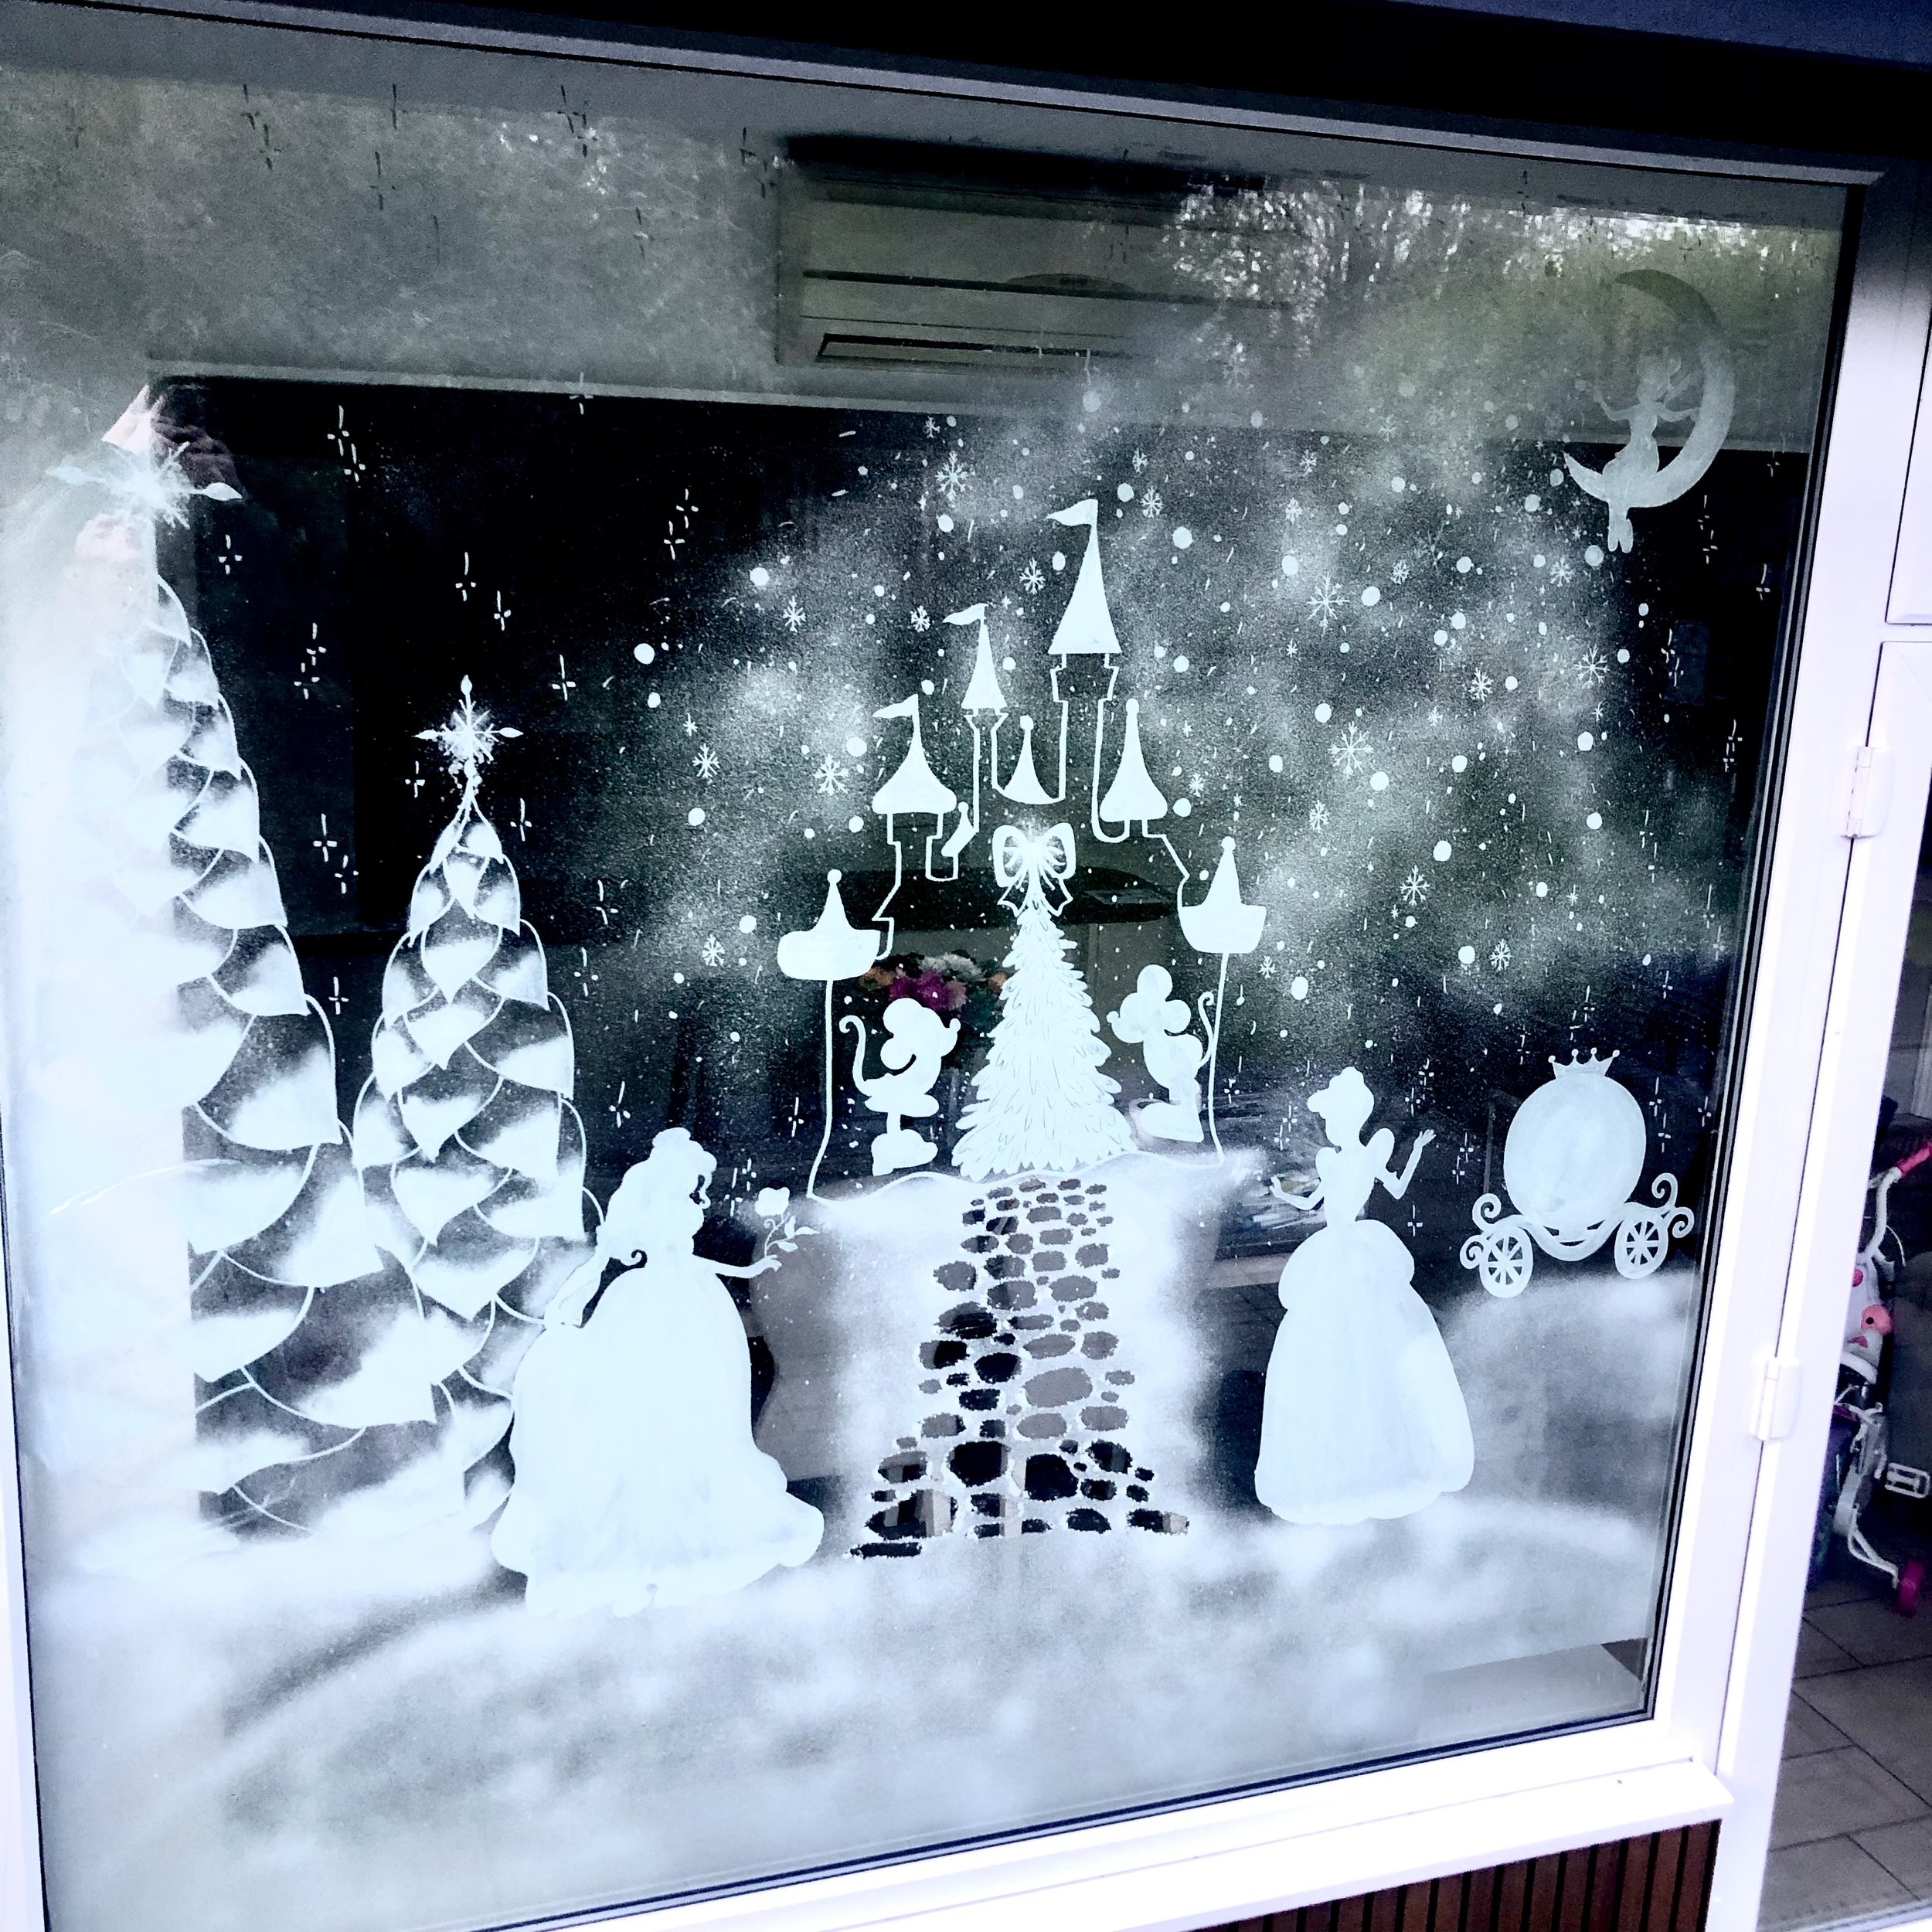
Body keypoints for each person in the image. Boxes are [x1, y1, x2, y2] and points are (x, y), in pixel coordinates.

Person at [492, 1128, 823, 1613]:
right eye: (694, 1180)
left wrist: (754, 1271)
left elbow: (695, 1258)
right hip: (653, 1306)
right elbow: (608, 1252)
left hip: (696, 1303)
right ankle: (644, 1514)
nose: (698, 1192)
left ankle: (689, 1487)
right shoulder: (644, 1198)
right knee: (648, 1398)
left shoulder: (681, 1216)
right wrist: (569, 1304)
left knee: (701, 1404)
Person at [1254, 1068, 1475, 1525]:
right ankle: (1344, 1448)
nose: (1331, 1130)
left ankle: (1376, 1449)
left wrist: (1414, 1153)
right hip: (1337, 1248)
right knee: (1329, 1338)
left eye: (1334, 1120)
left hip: (1353, 1251)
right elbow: (1314, 1202)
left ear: (1350, 1119)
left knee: (1367, 1332)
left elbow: (1393, 1188)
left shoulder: (1368, 1153)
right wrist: (1282, 1194)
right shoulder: (1329, 1161)